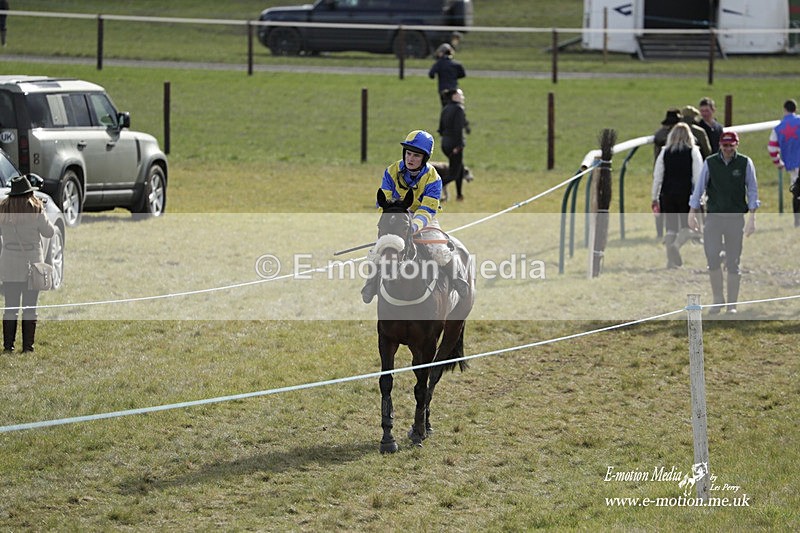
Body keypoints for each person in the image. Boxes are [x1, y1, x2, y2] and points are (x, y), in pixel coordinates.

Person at [361, 130, 469, 304]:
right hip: (396, 218)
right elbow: (383, 203)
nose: (410, 159)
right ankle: (371, 284)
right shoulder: (391, 171)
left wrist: (413, 227)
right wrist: (390, 225)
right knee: (377, 252)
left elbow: (427, 209)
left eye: (416, 156)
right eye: (408, 154)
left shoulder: (433, 177)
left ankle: (458, 279)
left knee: (439, 251)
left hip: (425, 219)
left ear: (424, 158)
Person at [688, 131, 760, 315]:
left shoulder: (745, 163)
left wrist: (752, 217)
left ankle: (732, 304)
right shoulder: (710, 163)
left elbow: (752, 190)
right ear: (720, 145)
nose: (728, 149)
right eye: (725, 145)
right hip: (714, 217)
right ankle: (717, 299)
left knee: (733, 261)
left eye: (731, 145)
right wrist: (692, 212)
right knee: (712, 256)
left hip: (735, 218)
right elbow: (699, 189)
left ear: (736, 144)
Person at [0, 175, 55, 352]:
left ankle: (8, 346)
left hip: (9, 263)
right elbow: (49, 232)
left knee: (10, 306)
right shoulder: (36, 209)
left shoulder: (3, 209)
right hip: (33, 265)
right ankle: (28, 347)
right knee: (30, 306)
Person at [652, 122, 704, 268]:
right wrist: (700, 195)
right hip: (686, 194)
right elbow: (698, 176)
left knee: (670, 228)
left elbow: (658, 176)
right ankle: (675, 246)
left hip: (667, 194)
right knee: (689, 228)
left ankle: (671, 261)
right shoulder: (693, 151)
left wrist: (654, 196)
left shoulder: (664, 152)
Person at [767, 98, 800, 227]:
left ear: (784, 109)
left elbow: (771, 148)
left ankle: (797, 221)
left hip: (792, 164)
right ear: (795, 109)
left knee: (797, 192)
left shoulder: (778, 128)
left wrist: (778, 162)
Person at [652, 109, 682, 238]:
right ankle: (661, 232)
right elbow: (659, 139)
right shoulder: (662, 135)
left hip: (670, 173)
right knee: (660, 204)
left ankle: (668, 231)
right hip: (664, 172)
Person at [438, 88, 471, 201]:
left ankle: (459, 195)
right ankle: (431, 189)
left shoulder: (446, 108)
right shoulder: (459, 109)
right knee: (453, 174)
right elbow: (458, 129)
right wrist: (459, 145)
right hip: (454, 145)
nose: (463, 97)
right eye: (461, 95)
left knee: (459, 169)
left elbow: (441, 129)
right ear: (454, 96)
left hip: (445, 144)